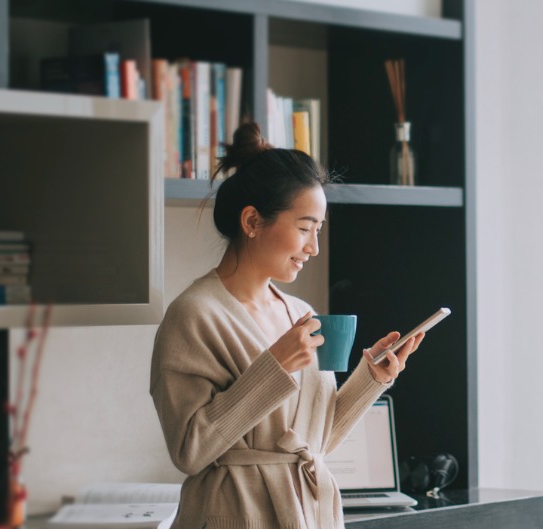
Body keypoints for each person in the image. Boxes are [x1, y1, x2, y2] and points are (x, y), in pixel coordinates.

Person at [150, 123, 425, 529]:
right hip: (235, 514)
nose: (313, 248)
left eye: (318, 231)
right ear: (251, 221)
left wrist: (371, 379)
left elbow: (314, 442)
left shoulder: (299, 313)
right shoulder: (194, 315)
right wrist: (274, 367)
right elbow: (190, 450)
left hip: (307, 513)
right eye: (303, 229)